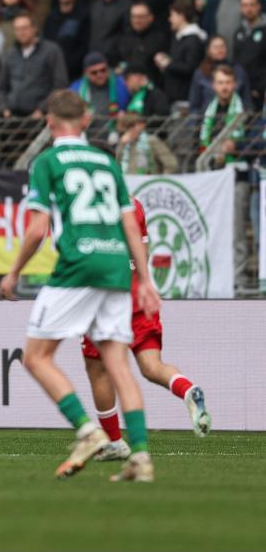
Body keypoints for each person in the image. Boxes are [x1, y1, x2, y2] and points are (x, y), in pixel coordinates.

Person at [0, 89, 161, 482]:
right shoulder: (107, 162)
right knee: (118, 364)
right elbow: (129, 224)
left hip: (78, 265)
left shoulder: (47, 161)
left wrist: (14, 271)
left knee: (36, 357)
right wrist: (145, 280)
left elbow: (37, 229)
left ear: (49, 122)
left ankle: (88, 432)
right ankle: (140, 456)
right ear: (86, 120)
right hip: (117, 270)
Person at [82, 196, 210, 461]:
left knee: (99, 369)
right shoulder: (133, 204)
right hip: (138, 291)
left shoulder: (86, 202)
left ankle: (115, 442)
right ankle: (188, 390)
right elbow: (144, 252)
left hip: (106, 295)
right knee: (152, 366)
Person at [199, 65, 250, 287]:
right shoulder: (208, 110)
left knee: (237, 231)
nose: (224, 87)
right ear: (214, 85)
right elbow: (201, 140)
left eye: (228, 83)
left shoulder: (245, 110)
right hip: (212, 178)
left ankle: (239, 278)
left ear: (234, 84)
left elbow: (255, 142)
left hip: (236, 176)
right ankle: (216, 277)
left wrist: (237, 147)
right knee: (213, 230)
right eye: (220, 83)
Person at [0, 12, 68, 118]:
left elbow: (60, 85)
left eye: (24, 28)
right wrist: (4, 108)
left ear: (34, 29)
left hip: (41, 117)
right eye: (17, 29)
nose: (21, 32)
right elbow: (0, 87)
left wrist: (42, 109)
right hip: (11, 117)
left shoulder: (51, 51)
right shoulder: (10, 54)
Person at [154, 2, 207, 103]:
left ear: (181, 16)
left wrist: (167, 64)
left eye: (172, 16)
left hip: (184, 94)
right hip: (173, 92)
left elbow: (190, 67)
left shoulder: (193, 40)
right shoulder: (178, 37)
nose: (169, 19)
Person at [188, 34, 252, 111]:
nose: (220, 50)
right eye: (216, 47)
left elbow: (247, 101)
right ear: (208, 50)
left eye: (222, 46)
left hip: (237, 115)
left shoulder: (238, 70)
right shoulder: (200, 73)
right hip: (206, 116)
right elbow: (194, 105)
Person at [117, 1, 170, 86]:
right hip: (126, 86)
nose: (136, 20)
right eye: (133, 16)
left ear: (150, 18)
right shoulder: (125, 37)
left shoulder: (160, 38)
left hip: (151, 87)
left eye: (140, 17)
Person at [43, 0, 90, 81]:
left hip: (76, 73)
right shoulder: (50, 17)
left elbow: (85, 45)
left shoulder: (84, 16)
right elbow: (46, 44)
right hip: (52, 71)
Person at [69, 52, 131, 119]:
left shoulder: (122, 84)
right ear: (86, 73)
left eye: (103, 70)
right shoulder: (75, 90)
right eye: (94, 72)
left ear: (108, 68)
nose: (99, 75)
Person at [233, 0, 266, 109]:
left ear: (259, 6)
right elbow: (236, 61)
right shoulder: (239, 32)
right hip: (241, 89)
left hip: (260, 91)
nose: (249, 9)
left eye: (252, 5)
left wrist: (260, 87)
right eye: (245, 5)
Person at [89, 0, 132, 66]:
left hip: (114, 59)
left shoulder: (127, 6)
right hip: (92, 56)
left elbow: (128, 35)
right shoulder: (94, 4)